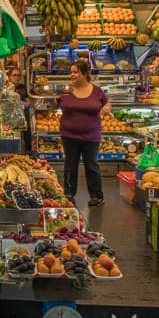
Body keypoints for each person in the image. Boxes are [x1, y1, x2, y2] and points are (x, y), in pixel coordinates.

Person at [57, 59, 111, 207]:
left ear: (84, 73)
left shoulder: (97, 91)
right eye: (71, 72)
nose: (72, 75)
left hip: (91, 136)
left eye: (75, 72)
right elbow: (53, 102)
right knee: (70, 165)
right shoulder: (66, 91)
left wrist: (106, 108)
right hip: (69, 135)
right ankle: (68, 194)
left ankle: (97, 196)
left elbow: (106, 103)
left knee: (91, 165)